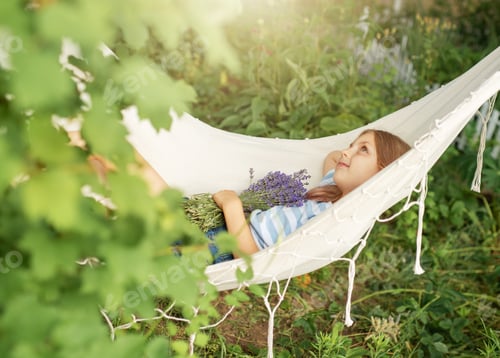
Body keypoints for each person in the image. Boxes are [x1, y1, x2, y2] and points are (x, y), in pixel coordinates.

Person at [212, 129, 411, 261]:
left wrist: (232, 207)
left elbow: (249, 261)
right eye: (351, 145)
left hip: (228, 247)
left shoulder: (328, 221)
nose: (345, 152)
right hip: (226, 226)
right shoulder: (332, 188)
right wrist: (350, 157)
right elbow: (332, 156)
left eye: (364, 149)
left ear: (382, 175)